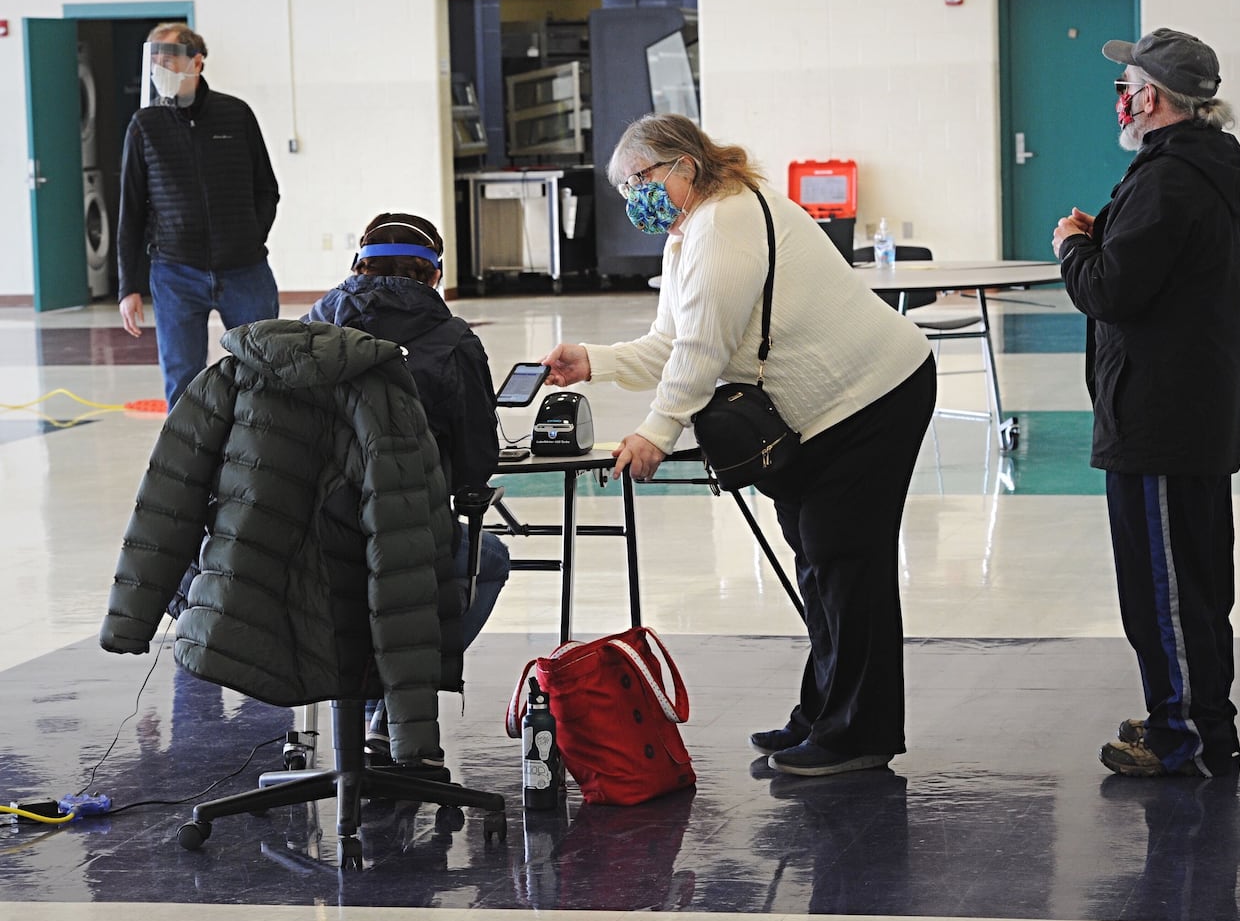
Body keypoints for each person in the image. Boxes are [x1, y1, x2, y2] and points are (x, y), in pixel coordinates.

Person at [541, 114, 936, 778]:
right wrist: (593, 360)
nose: (632, 198)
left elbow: (702, 351)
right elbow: (672, 342)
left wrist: (655, 434)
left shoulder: (726, 223)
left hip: (871, 398)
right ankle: (824, 713)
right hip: (821, 413)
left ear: (682, 168)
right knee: (817, 561)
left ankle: (858, 734)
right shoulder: (691, 233)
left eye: (637, 181)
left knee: (844, 562)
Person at [1051, 28, 1240, 778]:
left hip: (1159, 418)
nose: (1116, 102)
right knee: (1193, 582)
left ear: (1153, 97)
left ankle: (1183, 734)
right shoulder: (1199, 169)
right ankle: (1193, 713)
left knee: (1164, 589)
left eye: (1123, 87)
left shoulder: (1168, 180)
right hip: (1182, 410)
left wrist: (1072, 245)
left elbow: (1110, 290)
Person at [304, 212, 510, 762]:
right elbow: (474, 469)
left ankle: (349, 705)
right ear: (434, 278)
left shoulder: (300, 334)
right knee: (486, 558)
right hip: (401, 549)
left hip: (298, 545)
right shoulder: (452, 342)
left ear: (355, 267)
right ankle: (390, 704)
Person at [117, 22, 281, 408]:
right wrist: (129, 286)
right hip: (175, 272)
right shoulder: (144, 125)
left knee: (266, 368)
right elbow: (131, 210)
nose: (160, 68)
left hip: (245, 270)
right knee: (182, 376)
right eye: (154, 60)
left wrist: (250, 238)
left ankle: (267, 452)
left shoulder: (236, 115)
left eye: (168, 59)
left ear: (197, 62)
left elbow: (266, 189)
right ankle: (184, 462)